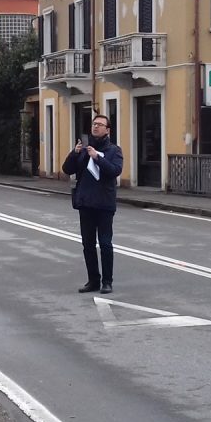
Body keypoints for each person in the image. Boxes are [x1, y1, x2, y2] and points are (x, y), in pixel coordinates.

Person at [62, 114, 124, 293]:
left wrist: (98, 157)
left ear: (108, 130)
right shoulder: (83, 150)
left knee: (105, 243)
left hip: (104, 204)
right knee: (88, 244)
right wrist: (74, 153)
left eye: (100, 125)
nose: (96, 127)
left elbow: (114, 171)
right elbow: (67, 169)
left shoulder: (114, 150)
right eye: (94, 124)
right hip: (86, 203)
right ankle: (93, 280)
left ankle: (107, 281)